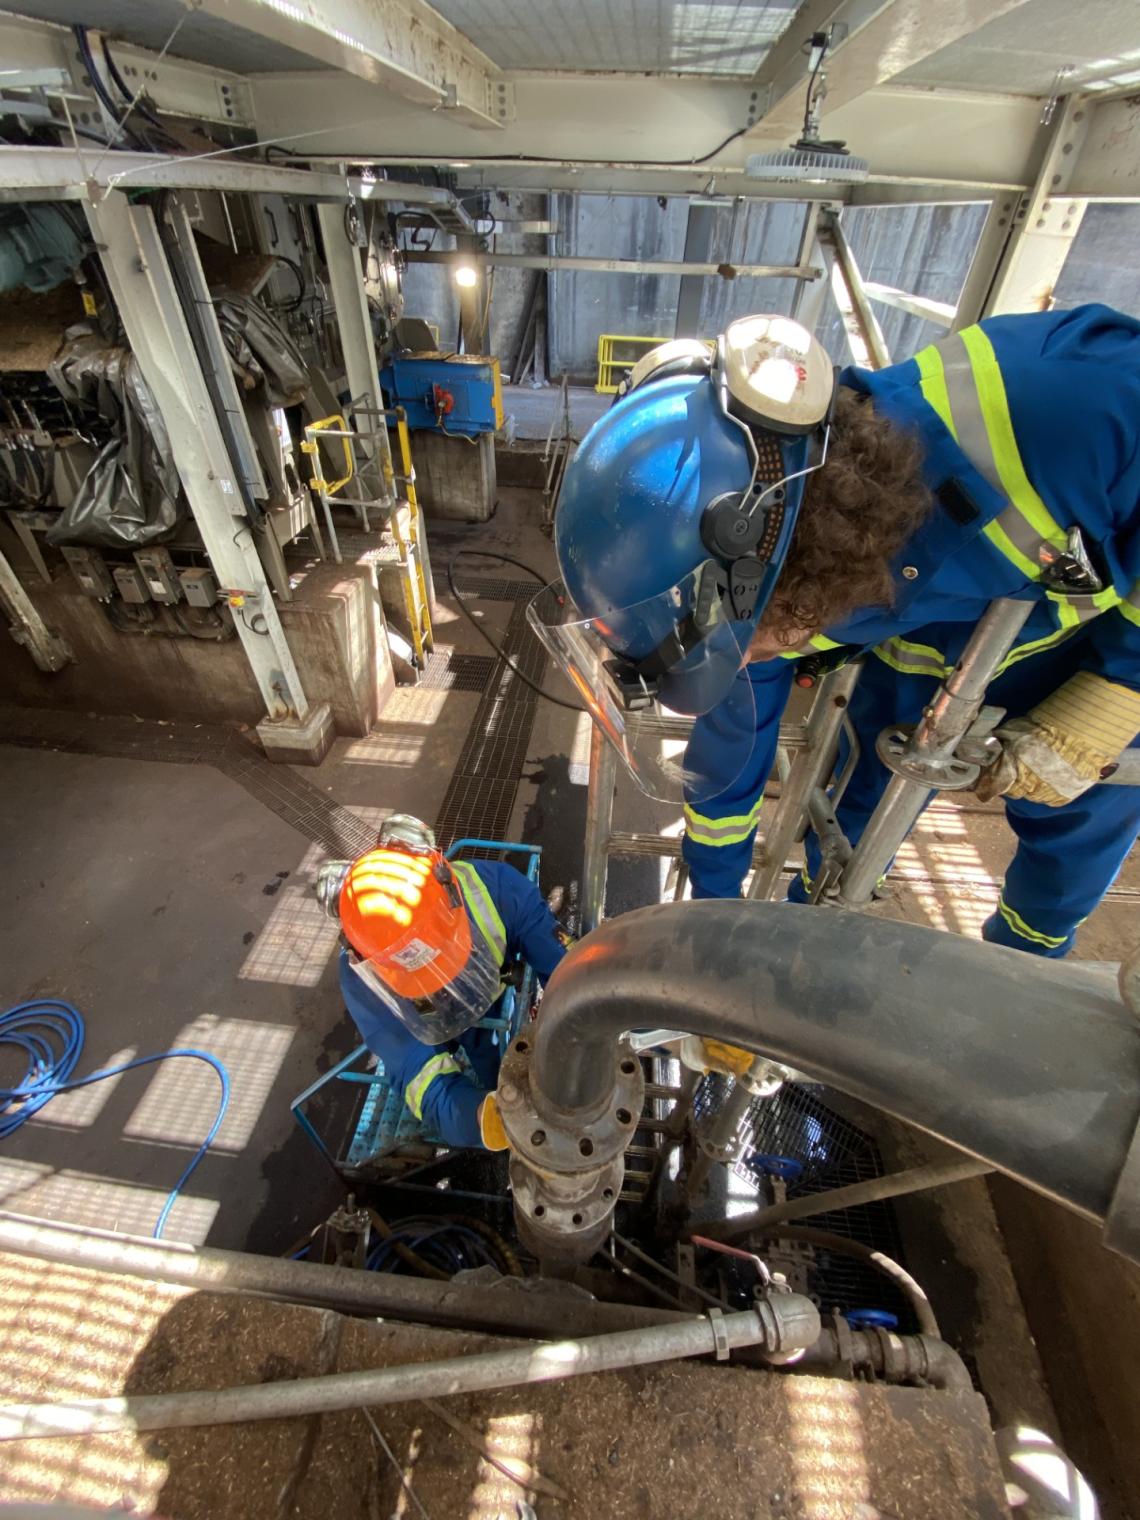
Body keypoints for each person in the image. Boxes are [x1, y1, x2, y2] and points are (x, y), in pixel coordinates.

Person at [535, 308, 1140, 957]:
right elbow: (727, 759)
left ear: (761, 572)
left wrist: (1121, 686)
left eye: (739, 648)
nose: (745, 665)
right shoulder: (796, 555)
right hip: (930, 654)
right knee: (856, 819)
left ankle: (1025, 971)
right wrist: (711, 929)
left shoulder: (1075, 402)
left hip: (1087, 661)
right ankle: (811, 936)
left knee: (1067, 853)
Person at [317, 816, 569, 1148]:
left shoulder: (497, 891)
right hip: (426, 1025)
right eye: (422, 974)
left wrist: (620, 1013)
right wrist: (487, 1118)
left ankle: (495, 1074)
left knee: (493, 1056)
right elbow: (423, 1082)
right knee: (492, 1076)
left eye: (446, 962)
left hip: (484, 1002)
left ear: (450, 890)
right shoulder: (363, 982)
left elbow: (567, 970)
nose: (441, 984)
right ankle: (494, 1088)